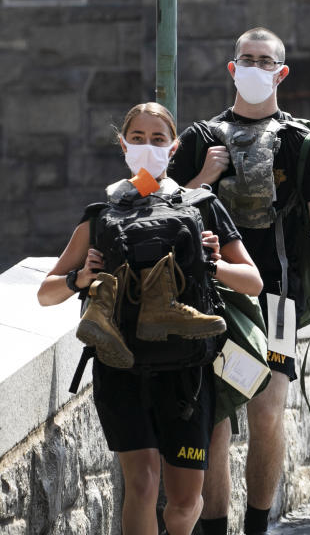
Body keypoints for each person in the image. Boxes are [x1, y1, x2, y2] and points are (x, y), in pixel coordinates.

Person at [37, 102, 263, 535]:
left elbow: (251, 281)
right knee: (141, 483)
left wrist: (210, 265)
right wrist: (79, 278)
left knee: (184, 503)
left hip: (187, 372)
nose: (146, 147)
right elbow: (46, 293)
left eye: (157, 139)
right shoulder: (101, 215)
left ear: (173, 147)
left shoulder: (202, 207)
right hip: (121, 366)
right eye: (137, 138)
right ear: (123, 146)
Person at [169, 27, 310, 535]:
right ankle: (216, 527)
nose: (254, 68)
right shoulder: (200, 139)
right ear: (232, 68)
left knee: (268, 409)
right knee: (219, 417)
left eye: (264, 61)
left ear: (280, 72)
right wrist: (201, 179)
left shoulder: (302, 143)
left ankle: (257, 524)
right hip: (212, 295)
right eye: (245, 59)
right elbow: (157, 210)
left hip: (278, 299)